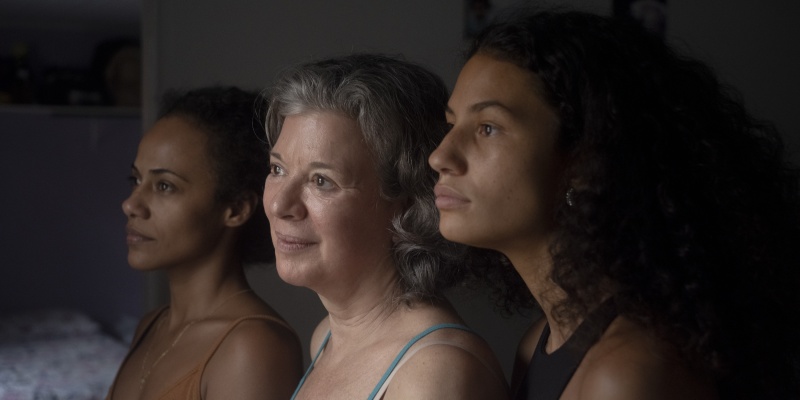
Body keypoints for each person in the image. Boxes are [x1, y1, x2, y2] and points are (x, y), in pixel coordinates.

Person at [428, 9, 800, 400]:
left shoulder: (625, 373)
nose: (440, 156)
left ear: (584, 163)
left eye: (487, 128)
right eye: (452, 125)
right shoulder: (538, 343)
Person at [262, 53, 509, 400]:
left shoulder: (435, 374)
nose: (279, 205)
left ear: (407, 203)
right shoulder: (327, 337)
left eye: (321, 181)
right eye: (277, 170)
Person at [108, 86, 303, 400]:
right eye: (136, 180)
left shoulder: (253, 346)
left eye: (164, 186)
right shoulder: (151, 326)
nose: (131, 204)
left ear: (236, 209)